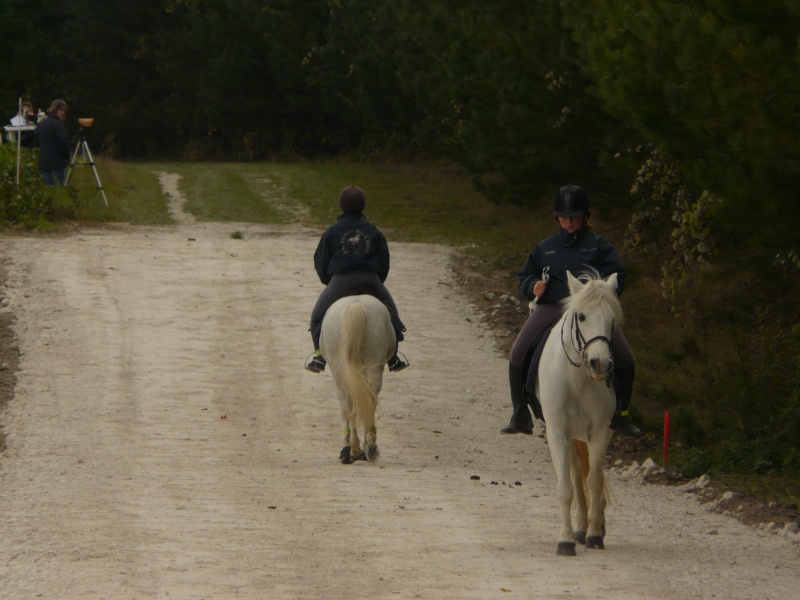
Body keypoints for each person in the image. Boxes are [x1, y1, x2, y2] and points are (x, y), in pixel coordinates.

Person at [501, 184, 642, 437]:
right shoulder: (545, 248)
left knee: (625, 357)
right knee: (518, 353)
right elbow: (524, 276)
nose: (569, 222)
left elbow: (617, 275)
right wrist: (533, 285)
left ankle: (621, 415)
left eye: (574, 217)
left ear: (585, 217)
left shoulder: (599, 245)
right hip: (553, 307)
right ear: (557, 218)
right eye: (564, 217)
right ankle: (520, 412)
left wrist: (602, 298)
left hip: (590, 314)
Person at [305, 185, 409, 373]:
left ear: (341, 205)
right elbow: (384, 261)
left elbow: (320, 261)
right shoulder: (372, 230)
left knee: (316, 318)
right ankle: (393, 359)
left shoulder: (332, 231)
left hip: (340, 281)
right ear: (363, 206)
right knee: (393, 317)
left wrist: (329, 281)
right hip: (371, 280)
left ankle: (319, 357)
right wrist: (377, 280)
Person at [35, 99, 71, 186]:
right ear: (55, 110)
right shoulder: (58, 124)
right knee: (58, 189)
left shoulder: (41, 123)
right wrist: (67, 157)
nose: (63, 113)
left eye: (64, 111)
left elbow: (37, 140)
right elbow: (63, 142)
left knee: (48, 190)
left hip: (44, 161)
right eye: (61, 110)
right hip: (57, 162)